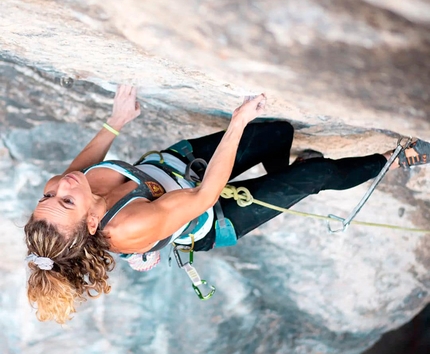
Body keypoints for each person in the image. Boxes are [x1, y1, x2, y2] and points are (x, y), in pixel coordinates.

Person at [24, 85, 430, 323]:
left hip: (175, 167)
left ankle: (285, 176)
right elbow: (205, 197)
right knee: (315, 178)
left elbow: (81, 166)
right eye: (65, 201)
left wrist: (117, 120)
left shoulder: (66, 186)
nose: (63, 186)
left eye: (49, 196)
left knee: (276, 134)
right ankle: (396, 158)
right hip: (211, 214)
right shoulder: (127, 229)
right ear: (91, 224)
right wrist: (237, 122)